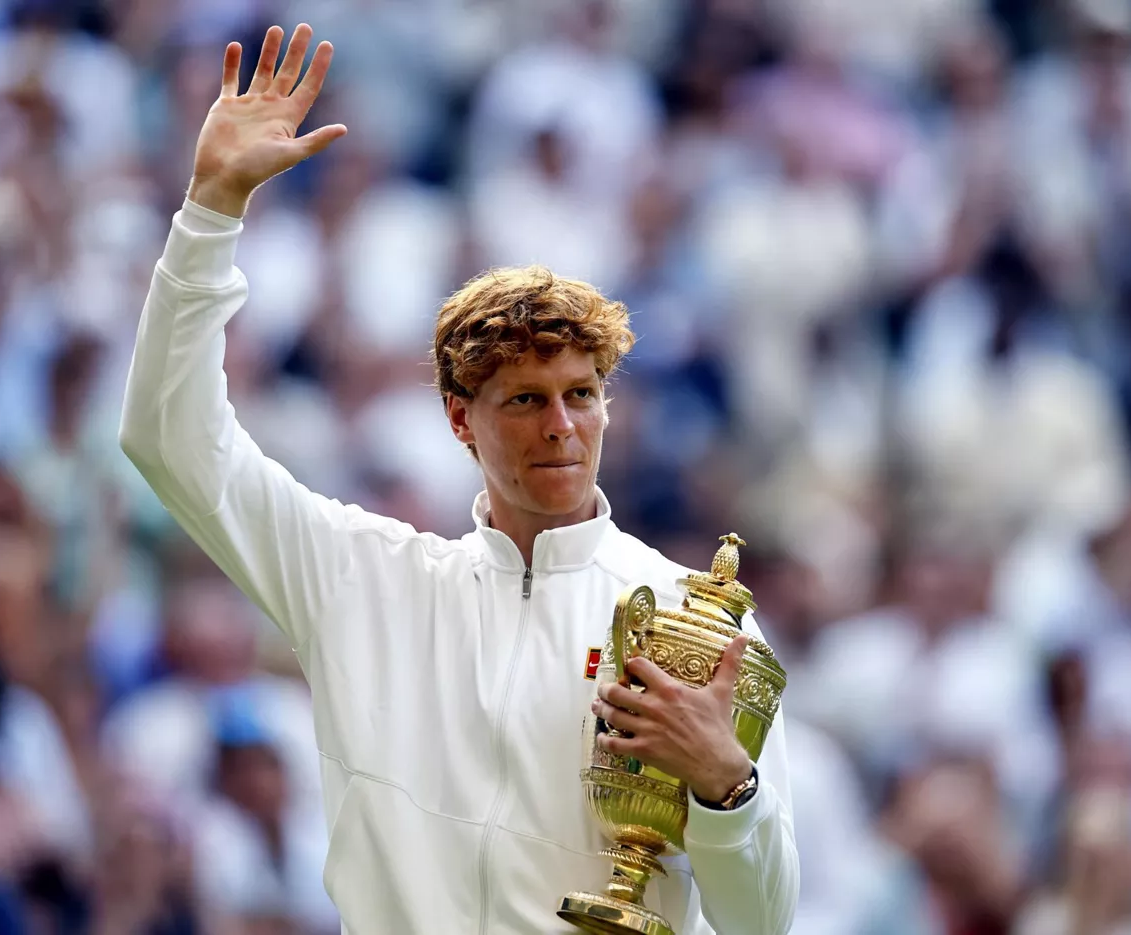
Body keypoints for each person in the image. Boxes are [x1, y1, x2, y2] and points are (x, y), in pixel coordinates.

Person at [119, 22, 798, 935]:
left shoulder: (697, 619)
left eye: (582, 395)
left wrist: (726, 782)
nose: (561, 426)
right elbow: (169, 438)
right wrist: (209, 213)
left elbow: (765, 922)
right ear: (458, 419)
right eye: (523, 400)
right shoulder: (361, 576)